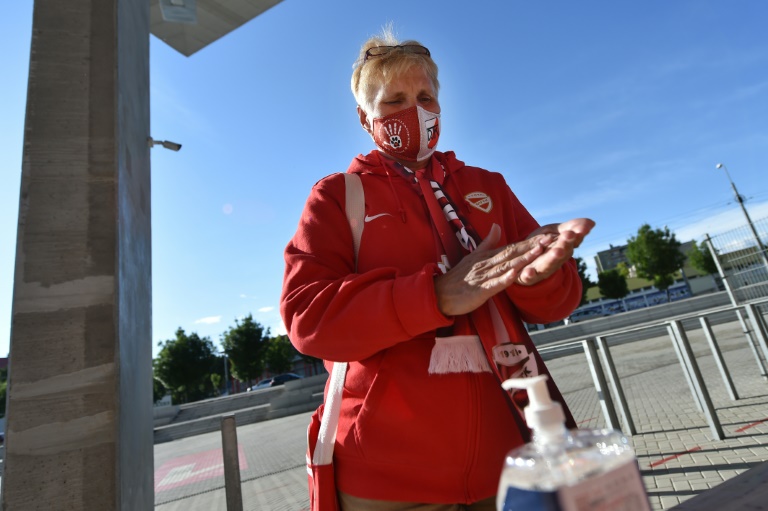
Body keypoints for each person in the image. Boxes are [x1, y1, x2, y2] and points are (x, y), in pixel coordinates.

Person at [280, 29, 594, 510]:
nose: (415, 109)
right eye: (395, 100)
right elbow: (307, 318)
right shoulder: (337, 197)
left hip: (511, 464)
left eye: (425, 96)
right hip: (386, 482)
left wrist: (539, 278)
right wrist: (436, 296)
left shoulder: (487, 186)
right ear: (366, 119)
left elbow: (558, 301)